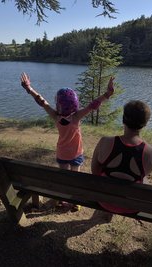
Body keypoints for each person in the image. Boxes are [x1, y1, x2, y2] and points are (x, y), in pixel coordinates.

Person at [20, 72, 114, 210]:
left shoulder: (55, 116)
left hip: (62, 154)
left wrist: (29, 88)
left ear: (58, 104)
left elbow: (42, 101)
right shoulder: (76, 117)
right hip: (76, 153)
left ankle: (60, 200)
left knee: (64, 179)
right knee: (75, 178)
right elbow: (93, 105)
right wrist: (108, 93)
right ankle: (75, 202)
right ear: (75, 104)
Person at [91, 100, 152, 215]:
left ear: (123, 119)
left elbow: (95, 170)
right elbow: (145, 174)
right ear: (145, 123)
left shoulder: (105, 142)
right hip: (131, 206)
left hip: (103, 200)